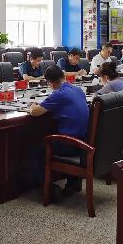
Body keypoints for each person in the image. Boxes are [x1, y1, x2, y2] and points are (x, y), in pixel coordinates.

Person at [29, 65, 89, 197]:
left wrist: (32, 105)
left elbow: (35, 112)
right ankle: (73, 182)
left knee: (35, 152)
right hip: (84, 141)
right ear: (63, 76)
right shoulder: (78, 89)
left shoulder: (59, 94)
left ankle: (48, 190)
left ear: (50, 83)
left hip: (70, 144)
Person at [98, 62, 123, 139]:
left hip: (122, 131)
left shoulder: (111, 84)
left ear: (106, 77)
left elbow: (95, 98)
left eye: (101, 78)